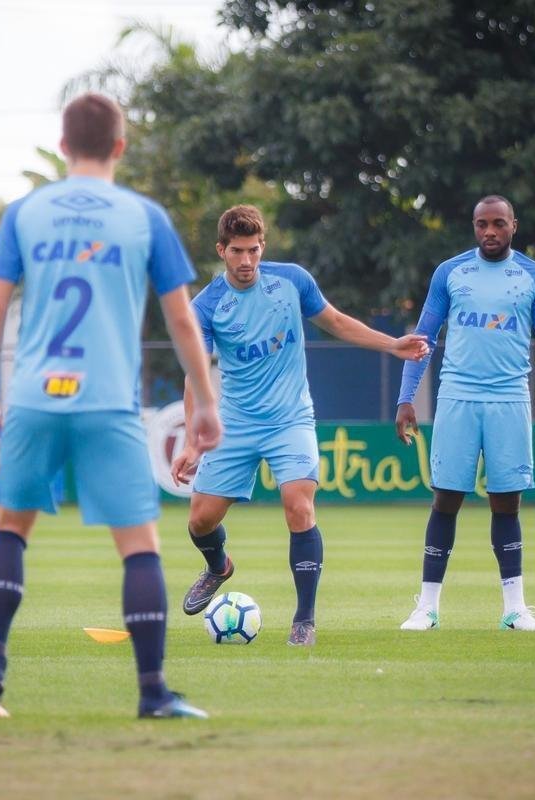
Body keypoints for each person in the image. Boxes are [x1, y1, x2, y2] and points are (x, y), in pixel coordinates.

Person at [0, 92, 222, 720]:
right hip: (108, 402)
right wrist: (204, 402)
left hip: (35, 397)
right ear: (120, 148)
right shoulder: (144, 216)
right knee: (140, 545)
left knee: (10, 529)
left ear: (64, 145)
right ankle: (153, 693)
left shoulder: (25, 212)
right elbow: (181, 318)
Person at [171, 204, 430, 646]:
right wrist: (195, 442)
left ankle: (304, 620)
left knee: (299, 505)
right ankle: (219, 567)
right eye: (237, 251)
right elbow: (196, 372)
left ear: (263, 247)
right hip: (235, 423)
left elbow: (335, 322)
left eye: (254, 250)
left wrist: (393, 345)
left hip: (290, 418)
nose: (247, 260)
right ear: (221, 250)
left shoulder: (292, 281)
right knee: (200, 521)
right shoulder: (208, 305)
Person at [395, 195, 535, 632]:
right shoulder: (450, 272)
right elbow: (423, 339)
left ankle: (515, 609)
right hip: (457, 398)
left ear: (514, 226)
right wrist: (405, 398)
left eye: (498, 224)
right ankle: (427, 608)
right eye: (481, 224)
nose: (490, 232)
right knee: (446, 499)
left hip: (510, 400)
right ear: (474, 227)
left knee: (506, 504)